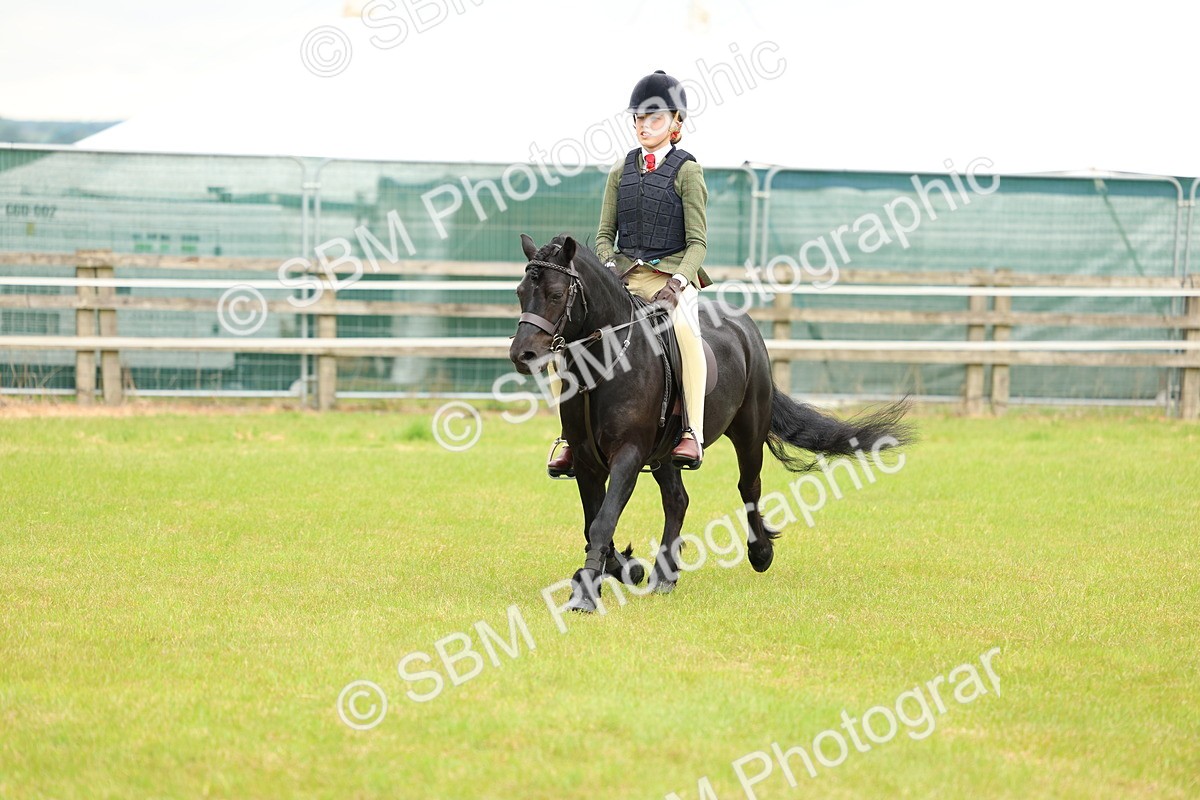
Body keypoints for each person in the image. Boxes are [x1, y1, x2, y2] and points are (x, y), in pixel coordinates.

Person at [548, 69, 711, 477]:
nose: (644, 126)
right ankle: (569, 436)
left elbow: (698, 243)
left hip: (673, 280)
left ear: (676, 123)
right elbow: (605, 235)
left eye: (654, 118)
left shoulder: (688, 172)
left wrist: (677, 284)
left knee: (688, 336)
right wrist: (606, 268)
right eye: (638, 119)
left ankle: (692, 430)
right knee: (563, 345)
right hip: (626, 279)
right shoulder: (620, 172)